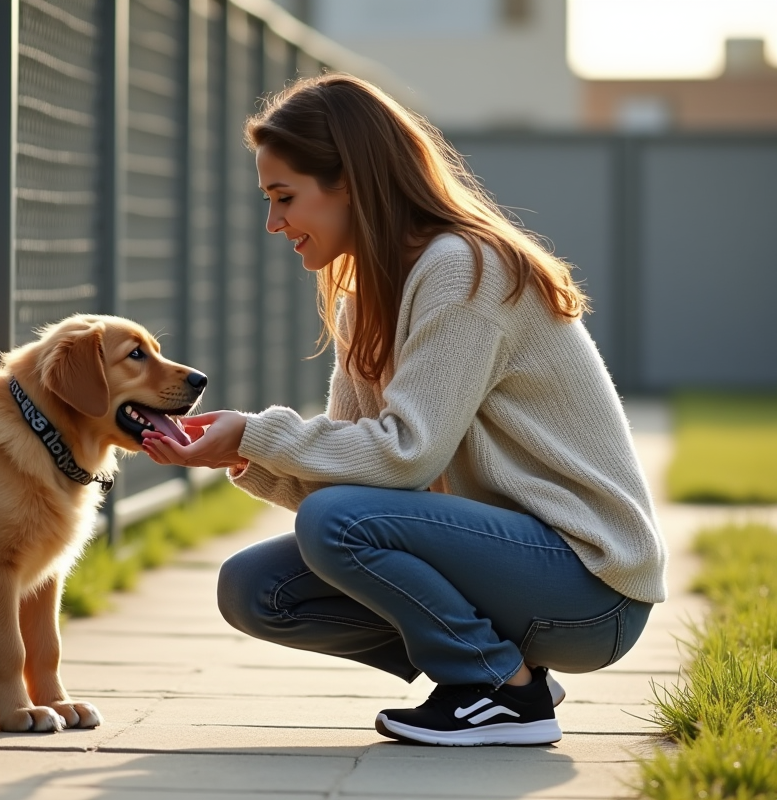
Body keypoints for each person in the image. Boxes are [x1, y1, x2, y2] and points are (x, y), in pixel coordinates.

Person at [141, 73, 666, 747]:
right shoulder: (365, 299)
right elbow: (359, 485)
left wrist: (259, 431)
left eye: (284, 198)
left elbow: (405, 457)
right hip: (514, 569)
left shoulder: (465, 268)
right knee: (256, 587)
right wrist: (241, 450)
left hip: (592, 588)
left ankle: (501, 692)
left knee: (335, 523)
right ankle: (503, 674)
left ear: (351, 183)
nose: (274, 223)